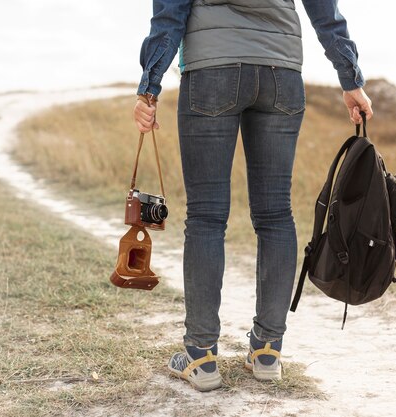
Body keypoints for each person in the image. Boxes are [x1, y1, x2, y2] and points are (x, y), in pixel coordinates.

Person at [134, 0, 373, 392]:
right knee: (276, 213)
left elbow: (169, 12)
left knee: (207, 216)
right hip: (280, 70)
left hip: (212, 69)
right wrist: (350, 78)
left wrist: (149, 87)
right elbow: (323, 9)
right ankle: (267, 351)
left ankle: (201, 356)